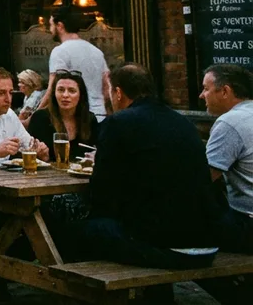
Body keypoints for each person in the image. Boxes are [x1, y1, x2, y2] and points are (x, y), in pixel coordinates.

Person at [59, 64, 222, 269]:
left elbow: (102, 192)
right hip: (207, 242)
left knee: (67, 231)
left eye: (110, 91)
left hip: (162, 246)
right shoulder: (182, 121)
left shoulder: (118, 123)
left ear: (118, 92)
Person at [199, 64, 253, 253]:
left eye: (206, 89)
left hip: (247, 224)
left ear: (225, 91)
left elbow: (204, 179)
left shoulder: (230, 122)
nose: (201, 95)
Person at [42, 8, 109, 119]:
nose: (50, 30)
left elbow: (52, 88)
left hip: (79, 118)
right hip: (101, 115)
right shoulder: (96, 52)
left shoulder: (60, 51)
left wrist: (33, 116)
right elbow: (107, 88)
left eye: (51, 25)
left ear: (59, 26)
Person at [27, 70, 98, 160]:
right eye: (61, 90)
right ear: (54, 93)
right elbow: (29, 153)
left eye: (72, 91)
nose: (65, 95)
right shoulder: (40, 118)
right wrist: (39, 155)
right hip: (49, 172)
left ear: (81, 95)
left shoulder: (90, 119)